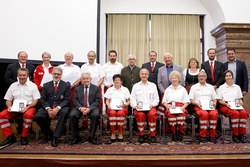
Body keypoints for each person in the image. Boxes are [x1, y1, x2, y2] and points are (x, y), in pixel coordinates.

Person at [0, 68, 40, 146]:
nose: (22, 77)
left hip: (29, 106)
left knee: (28, 115)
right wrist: (9, 106)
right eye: (20, 75)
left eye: (24, 75)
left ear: (27, 76)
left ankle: (24, 136)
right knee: (2, 115)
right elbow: (8, 99)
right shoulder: (13, 85)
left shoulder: (33, 86)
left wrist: (27, 108)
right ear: (17, 75)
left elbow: (36, 100)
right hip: (15, 107)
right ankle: (10, 137)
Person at [34, 67, 71, 147]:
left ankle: (55, 137)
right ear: (52, 74)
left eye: (58, 74)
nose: (56, 76)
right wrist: (48, 109)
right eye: (55, 74)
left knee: (64, 113)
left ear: (61, 75)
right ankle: (49, 133)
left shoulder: (66, 85)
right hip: (48, 107)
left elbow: (67, 100)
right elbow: (42, 99)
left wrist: (57, 108)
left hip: (61, 107)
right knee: (38, 116)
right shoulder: (46, 85)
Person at [69, 72, 101, 145]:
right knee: (72, 115)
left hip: (92, 107)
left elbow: (98, 100)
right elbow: (75, 100)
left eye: (87, 78)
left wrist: (90, 108)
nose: (85, 80)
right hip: (80, 107)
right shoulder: (77, 89)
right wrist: (80, 108)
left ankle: (92, 137)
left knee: (96, 115)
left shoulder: (96, 88)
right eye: (83, 79)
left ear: (90, 79)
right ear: (81, 80)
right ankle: (76, 137)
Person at [217, 70, 249, 143]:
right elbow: (219, 100)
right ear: (224, 78)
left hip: (236, 105)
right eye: (227, 76)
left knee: (244, 113)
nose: (228, 77)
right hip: (225, 105)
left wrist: (241, 101)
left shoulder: (237, 87)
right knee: (236, 114)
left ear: (232, 77)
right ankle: (235, 135)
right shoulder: (221, 87)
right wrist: (226, 104)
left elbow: (240, 98)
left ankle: (242, 134)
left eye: (230, 75)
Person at [130, 68, 159, 143]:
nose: (144, 75)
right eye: (142, 74)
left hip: (150, 107)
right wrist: (134, 106)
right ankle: (141, 134)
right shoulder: (136, 86)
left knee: (152, 114)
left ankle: (152, 135)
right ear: (139, 75)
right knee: (140, 115)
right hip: (139, 108)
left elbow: (156, 99)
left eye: (145, 74)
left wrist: (152, 105)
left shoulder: (153, 85)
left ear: (148, 75)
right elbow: (132, 98)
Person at [189, 71, 218, 143]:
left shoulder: (210, 87)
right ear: (198, 78)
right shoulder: (194, 87)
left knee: (214, 114)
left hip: (210, 106)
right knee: (204, 114)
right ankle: (203, 135)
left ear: (206, 77)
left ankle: (212, 135)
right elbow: (191, 100)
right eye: (199, 76)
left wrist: (214, 102)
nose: (201, 77)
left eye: (203, 76)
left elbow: (215, 98)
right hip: (199, 106)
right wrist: (197, 104)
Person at [162, 71, 190, 142]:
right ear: (171, 79)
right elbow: (164, 101)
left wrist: (184, 107)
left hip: (181, 107)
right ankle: (174, 133)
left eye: (176, 78)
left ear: (178, 79)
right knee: (171, 116)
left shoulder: (183, 89)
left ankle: (181, 132)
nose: (174, 79)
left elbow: (187, 101)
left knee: (181, 115)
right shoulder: (167, 89)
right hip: (171, 107)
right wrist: (166, 105)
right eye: (173, 78)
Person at [80, 51, 105, 128]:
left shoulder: (99, 66)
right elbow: (81, 78)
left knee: (98, 104)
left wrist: (96, 87)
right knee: (84, 103)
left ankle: (98, 122)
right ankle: (84, 123)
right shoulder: (84, 66)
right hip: (86, 87)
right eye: (89, 56)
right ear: (88, 57)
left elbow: (102, 78)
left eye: (92, 56)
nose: (91, 57)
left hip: (97, 88)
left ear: (95, 57)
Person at [104, 74, 130, 142]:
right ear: (113, 81)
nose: (117, 81)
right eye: (115, 80)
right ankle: (113, 133)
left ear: (121, 81)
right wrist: (108, 105)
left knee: (120, 113)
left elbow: (129, 101)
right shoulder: (110, 90)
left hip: (122, 108)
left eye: (118, 80)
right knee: (112, 113)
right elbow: (107, 100)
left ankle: (120, 133)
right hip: (112, 107)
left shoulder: (125, 89)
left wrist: (126, 104)